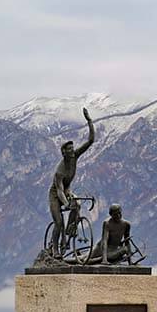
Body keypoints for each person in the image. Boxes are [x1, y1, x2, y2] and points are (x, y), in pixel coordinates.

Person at [49, 108, 95, 258]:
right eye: (68, 150)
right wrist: (65, 203)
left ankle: (70, 230)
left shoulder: (75, 156)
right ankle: (55, 248)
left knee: (78, 205)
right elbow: (60, 190)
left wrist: (89, 121)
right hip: (56, 195)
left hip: (66, 191)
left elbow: (90, 141)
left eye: (72, 149)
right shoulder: (59, 171)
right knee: (58, 223)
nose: (71, 151)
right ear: (63, 153)